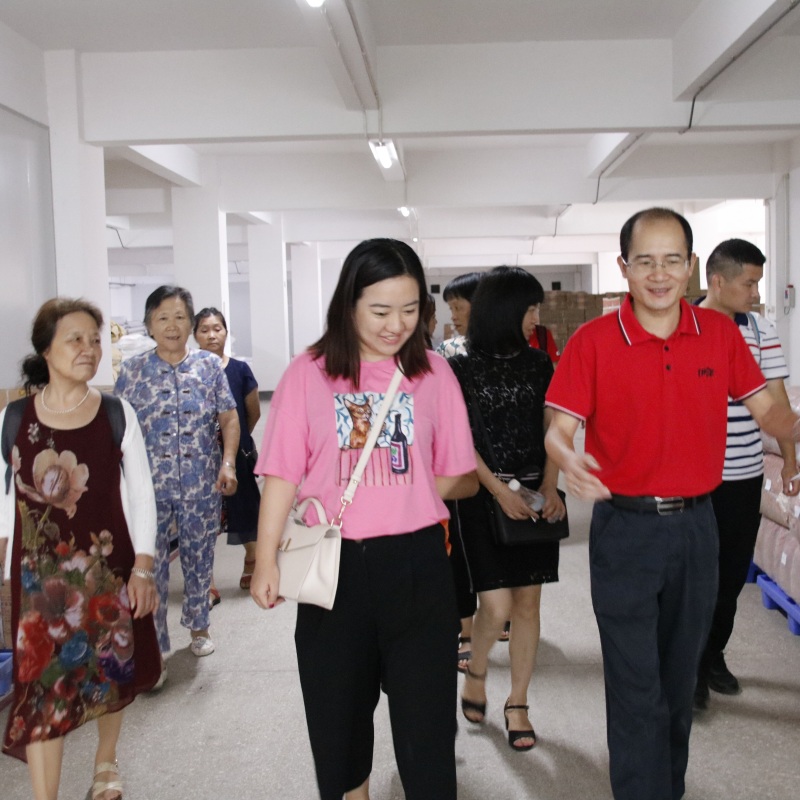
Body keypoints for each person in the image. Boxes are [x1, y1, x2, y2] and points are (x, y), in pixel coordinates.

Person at [544, 207, 800, 800]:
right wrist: (566, 458)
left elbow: (771, 414)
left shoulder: (720, 335)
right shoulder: (593, 341)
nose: (658, 274)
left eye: (671, 261)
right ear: (624, 267)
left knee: (679, 681)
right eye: (645, 262)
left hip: (696, 528)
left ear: (690, 266)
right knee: (635, 686)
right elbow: (558, 428)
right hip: (624, 531)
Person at [250, 238, 478, 800]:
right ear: (348, 305)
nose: (396, 325)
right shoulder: (308, 374)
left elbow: (461, 475)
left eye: (409, 310)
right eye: (380, 311)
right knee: (338, 721)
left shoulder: (434, 374)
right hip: (335, 568)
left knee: (427, 726)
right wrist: (265, 558)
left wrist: (404, 492)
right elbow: (281, 473)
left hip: (418, 565)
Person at [0, 298, 160, 800]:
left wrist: (144, 568)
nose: (89, 349)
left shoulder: (115, 413)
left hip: (106, 571)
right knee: (39, 691)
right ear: (46, 350)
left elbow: (142, 494)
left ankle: (106, 761)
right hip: (35, 580)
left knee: (109, 671)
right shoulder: (13, 417)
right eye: (76, 339)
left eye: (95, 340)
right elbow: (2, 502)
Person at [448, 266, 565, 752]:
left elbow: (554, 429)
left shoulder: (540, 364)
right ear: (504, 310)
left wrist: (552, 486)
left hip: (536, 495)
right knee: (495, 605)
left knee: (528, 604)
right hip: (482, 497)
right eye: (530, 308)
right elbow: (461, 441)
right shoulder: (459, 367)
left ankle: (518, 702)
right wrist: (499, 491)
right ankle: (477, 671)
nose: (536, 317)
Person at [694, 239, 799, 708]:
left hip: (743, 475)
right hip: (692, 479)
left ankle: (713, 654)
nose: (756, 293)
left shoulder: (759, 329)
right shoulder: (683, 326)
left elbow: (777, 399)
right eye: (750, 283)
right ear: (718, 281)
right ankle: (690, 665)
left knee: (732, 573)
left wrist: (790, 461)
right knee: (695, 574)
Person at [115, 286, 239, 662]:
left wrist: (228, 462)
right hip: (148, 487)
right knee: (150, 563)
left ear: (190, 323)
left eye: (180, 317)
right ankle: (155, 644)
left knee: (199, 558)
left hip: (201, 482)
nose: (172, 326)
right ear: (149, 325)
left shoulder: (208, 367)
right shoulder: (132, 371)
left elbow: (229, 417)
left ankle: (199, 628)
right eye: (163, 318)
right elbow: (118, 429)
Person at [434, 271, 485, 667]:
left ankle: (496, 616)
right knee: (462, 549)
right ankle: (465, 627)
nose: (453, 315)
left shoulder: (506, 349)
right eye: (449, 307)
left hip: (499, 467)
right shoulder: (448, 353)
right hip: (460, 464)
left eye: (458, 306)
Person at [193, 308, 261, 598]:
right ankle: (204, 576)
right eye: (204, 330)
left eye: (217, 328)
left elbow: (252, 412)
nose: (212, 335)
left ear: (226, 332)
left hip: (236, 453)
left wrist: (235, 439)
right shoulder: (190, 372)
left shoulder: (239, 370)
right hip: (200, 457)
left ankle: (252, 558)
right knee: (201, 518)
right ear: (195, 336)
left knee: (244, 508)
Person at [435, 271, 481, 358]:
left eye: (458, 308)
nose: (453, 317)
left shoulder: (505, 350)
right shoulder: (448, 350)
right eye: (451, 309)